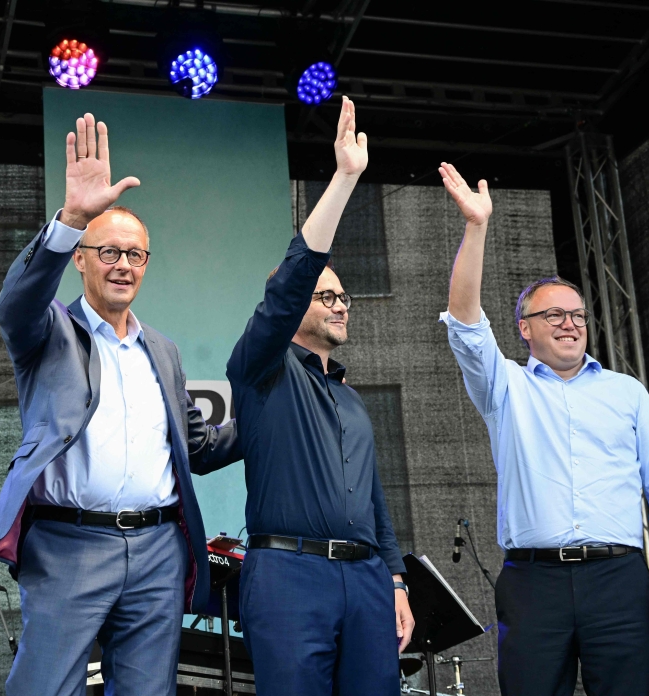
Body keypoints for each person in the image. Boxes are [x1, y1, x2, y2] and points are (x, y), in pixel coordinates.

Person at [0, 113, 241, 696]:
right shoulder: (47, 331)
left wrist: (271, 420)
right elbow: (13, 304)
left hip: (157, 551)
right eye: (108, 252)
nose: (123, 264)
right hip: (68, 545)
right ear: (80, 258)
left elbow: (198, 448)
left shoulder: (165, 352)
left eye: (136, 255)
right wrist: (72, 217)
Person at [436, 162, 649, 696]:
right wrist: (477, 226)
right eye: (552, 315)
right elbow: (463, 320)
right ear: (524, 330)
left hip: (619, 579)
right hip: (535, 582)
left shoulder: (627, 393)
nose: (568, 323)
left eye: (576, 314)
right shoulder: (504, 387)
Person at [226, 96, 414, 696]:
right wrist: (343, 180)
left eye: (343, 298)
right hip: (288, 575)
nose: (338, 304)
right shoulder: (263, 368)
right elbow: (291, 283)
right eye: (323, 295)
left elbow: (377, 506)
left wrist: (396, 581)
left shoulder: (352, 401)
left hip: (365, 580)